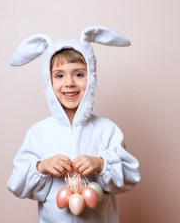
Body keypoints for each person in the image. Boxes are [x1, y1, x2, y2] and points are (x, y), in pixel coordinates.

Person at [7, 25, 141, 223]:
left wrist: (101, 164)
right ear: (49, 80)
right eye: (59, 75)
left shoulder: (107, 130)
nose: (69, 83)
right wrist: (41, 167)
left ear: (92, 77)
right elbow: (17, 184)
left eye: (79, 74)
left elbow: (130, 176)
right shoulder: (39, 133)